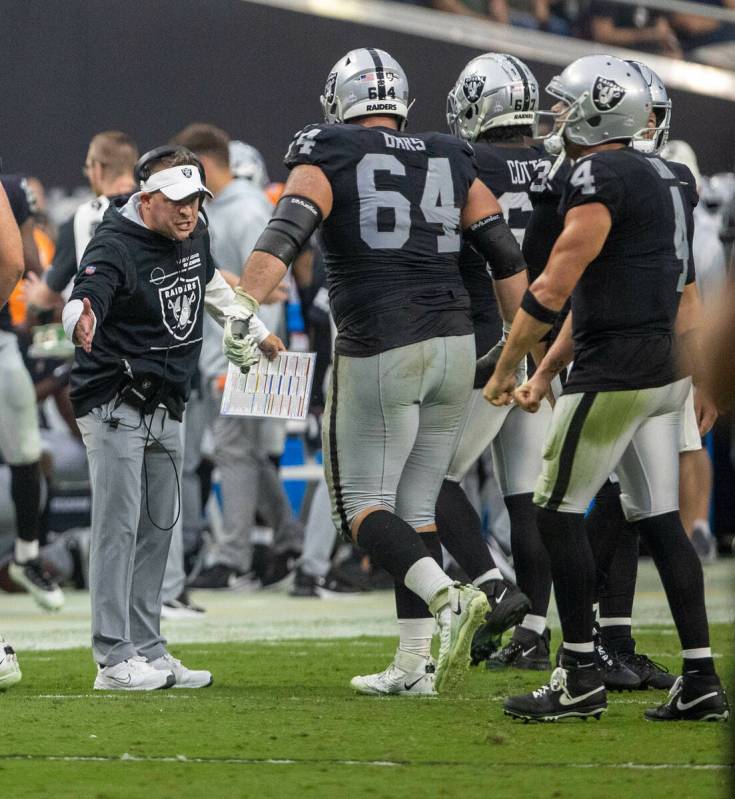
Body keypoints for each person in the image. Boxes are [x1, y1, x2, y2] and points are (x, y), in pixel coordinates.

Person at [222, 47, 529, 694]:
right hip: (453, 347)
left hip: (378, 342)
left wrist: (243, 306)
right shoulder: (448, 152)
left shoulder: (327, 150)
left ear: (338, 101)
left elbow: (287, 230)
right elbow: (503, 253)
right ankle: (413, 665)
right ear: (401, 106)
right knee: (416, 507)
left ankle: (451, 592)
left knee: (356, 506)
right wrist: (516, 346)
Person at [486, 54, 729, 722]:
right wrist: (539, 372)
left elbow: (556, 283)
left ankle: (578, 672)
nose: (554, 118)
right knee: (658, 520)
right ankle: (701, 677)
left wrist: (506, 366)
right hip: (662, 370)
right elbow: (647, 291)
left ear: (599, 110)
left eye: (564, 106)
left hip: (614, 373)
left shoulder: (597, 173)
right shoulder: (669, 174)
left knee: (554, 510)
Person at [62, 145, 282, 690]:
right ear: (147, 198)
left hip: (167, 403)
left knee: (159, 527)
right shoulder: (114, 243)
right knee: (117, 529)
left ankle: (150, 649)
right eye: (178, 201)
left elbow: (209, 286)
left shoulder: (194, 233)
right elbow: (83, 295)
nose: (189, 211)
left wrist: (255, 331)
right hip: (115, 403)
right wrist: (80, 319)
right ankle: (113, 660)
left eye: (196, 200)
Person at [439, 53, 561, 669]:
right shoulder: (558, 161)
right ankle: (535, 636)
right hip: (548, 345)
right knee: (527, 498)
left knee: (428, 476)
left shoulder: (466, 162)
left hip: (487, 339)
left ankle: (492, 585)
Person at [171, 123, 302, 589]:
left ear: (203, 166)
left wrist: (247, 359)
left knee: (234, 454)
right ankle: (288, 540)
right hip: (220, 352)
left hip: (237, 352)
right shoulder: (225, 208)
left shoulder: (245, 211)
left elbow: (272, 291)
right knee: (243, 454)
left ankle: (233, 559)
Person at [0, 173, 63, 611]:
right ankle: (25, 552)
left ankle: (25, 554)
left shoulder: (10, 188)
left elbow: (19, 261)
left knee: (27, 449)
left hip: (3, 338)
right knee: (25, 449)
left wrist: (48, 297)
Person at [588, 1, 683, 57]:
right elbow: (604, 35)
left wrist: (673, 50)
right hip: (613, 57)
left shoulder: (654, 3)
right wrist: (649, 34)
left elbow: (663, 30)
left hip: (648, 59)